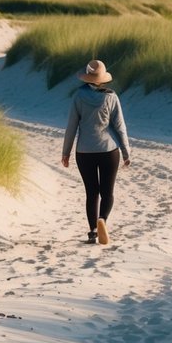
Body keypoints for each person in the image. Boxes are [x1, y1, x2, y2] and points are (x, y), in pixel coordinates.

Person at [61, 59, 131, 245]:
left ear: (87, 77)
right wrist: (126, 151)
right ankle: (103, 220)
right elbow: (119, 126)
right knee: (107, 192)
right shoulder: (111, 96)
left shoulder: (78, 96)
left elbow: (71, 126)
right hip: (108, 150)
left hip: (84, 152)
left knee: (92, 193)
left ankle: (93, 231)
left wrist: (66, 152)